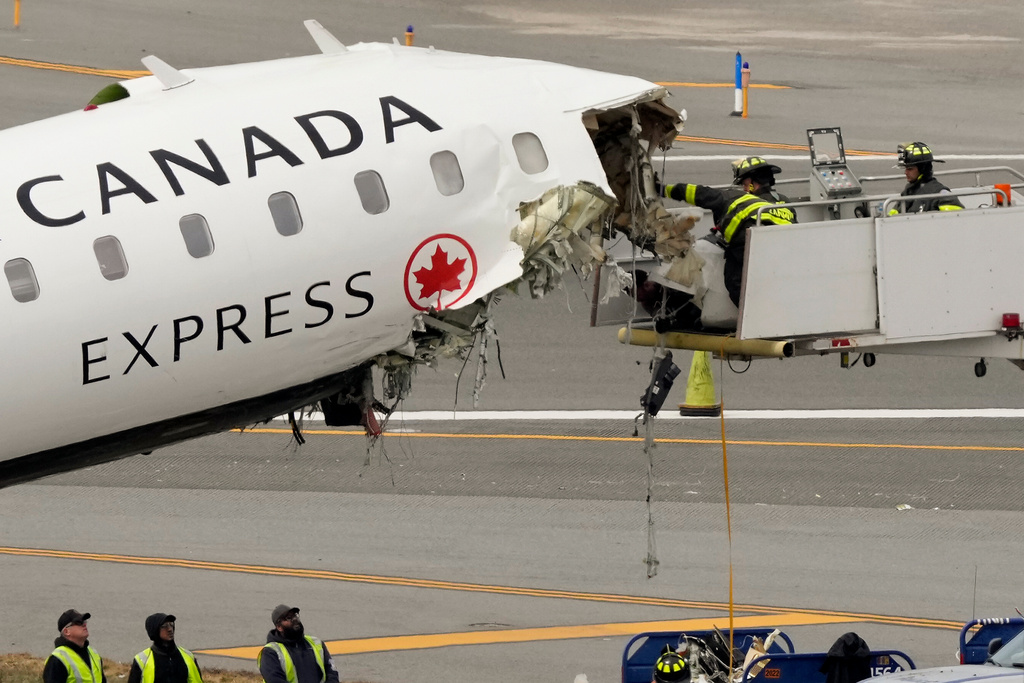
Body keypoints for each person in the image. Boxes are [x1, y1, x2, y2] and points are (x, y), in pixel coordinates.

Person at [661, 157, 796, 307]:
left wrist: (666, 190)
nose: (744, 188)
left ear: (754, 182)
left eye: (745, 184)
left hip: (749, 250)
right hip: (783, 255)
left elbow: (700, 194)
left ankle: (752, 320)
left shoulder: (740, 199)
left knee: (735, 283)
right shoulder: (784, 202)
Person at [258, 605, 340, 683]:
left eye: (295, 616)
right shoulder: (271, 652)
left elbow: (332, 673)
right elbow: (275, 680)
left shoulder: (316, 643)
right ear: (279, 627)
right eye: (289, 618)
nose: (294, 619)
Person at [127, 613, 203, 683]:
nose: (170, 629)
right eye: (164, 626)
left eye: (171, 624)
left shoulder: (188, 656)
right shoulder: (142, 660)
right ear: (155, 630)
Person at [891, 141, 964, 214]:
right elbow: (890, 218)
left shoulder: (940, 194)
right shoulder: (908, 192)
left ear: (923, 169)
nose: (906, 172)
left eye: (910, 169)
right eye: (905, 169)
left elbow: (957, 219)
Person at [43, 610, 107, 683]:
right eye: (79, 623)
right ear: (67, 631)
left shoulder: (93, 654)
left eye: (84, 622)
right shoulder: (57, 659)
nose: (84, 625)